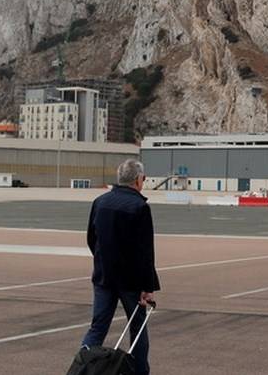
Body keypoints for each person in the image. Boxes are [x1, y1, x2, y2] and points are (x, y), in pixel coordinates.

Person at [82, 159, 159, 375]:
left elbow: (91, 239)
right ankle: (140, 372)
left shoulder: (100, 202)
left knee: (97, 328)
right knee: (137, 329)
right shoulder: (140, 207)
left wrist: (103, 260)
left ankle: (82, 366)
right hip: (131, 281)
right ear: (137, 179)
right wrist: (148, 286)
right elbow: (145, 252)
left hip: (104, 277)